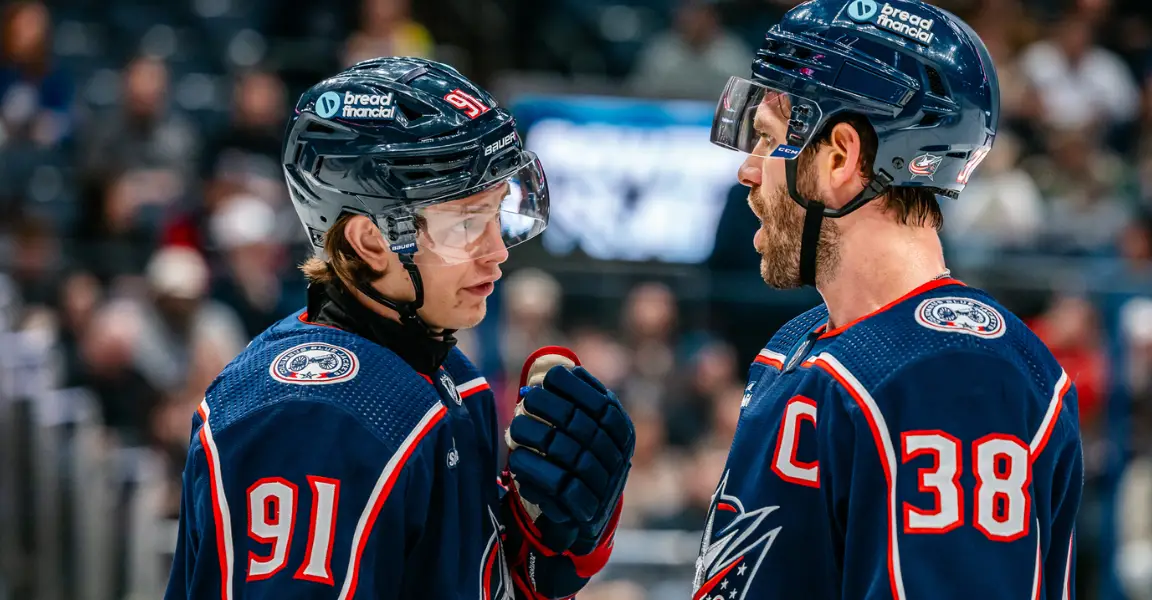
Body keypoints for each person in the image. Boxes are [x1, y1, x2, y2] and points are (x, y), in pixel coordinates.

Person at [165, 57, 635, 600]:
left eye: (496, 213)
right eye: (466, 223)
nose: (497, 253)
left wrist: (540, 556)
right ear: (367, 241)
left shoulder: (449, 375)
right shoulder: (311, 417)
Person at [692, 1, 1082, 599]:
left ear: (842, 158)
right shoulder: (795, 343)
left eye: (768, 141)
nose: (748, 170)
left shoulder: (956, 374)